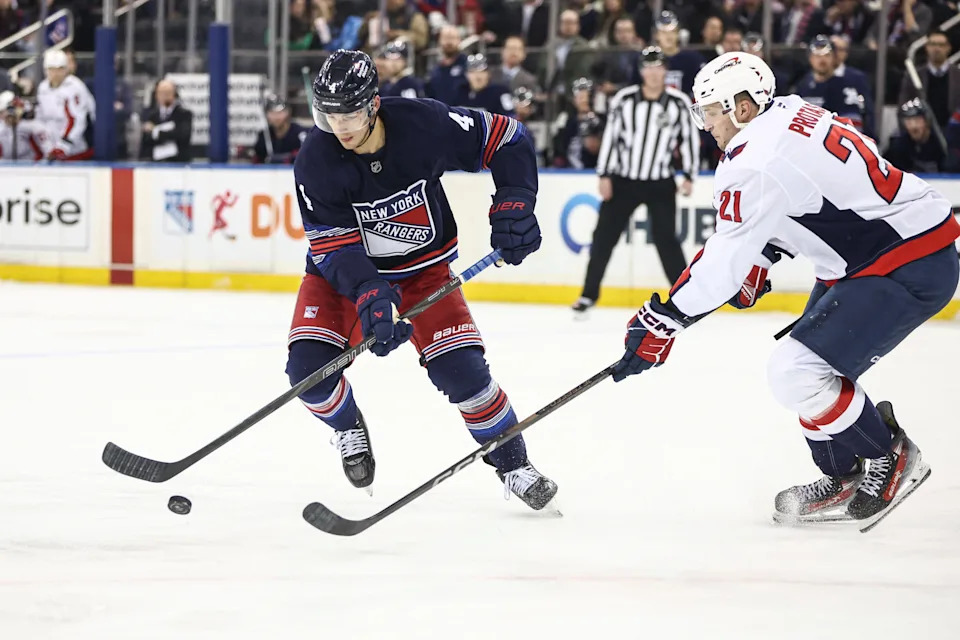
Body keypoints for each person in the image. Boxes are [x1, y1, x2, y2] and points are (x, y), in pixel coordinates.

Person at [611, 51, 959, 530]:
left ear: (743, 108)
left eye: (711, 112)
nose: (706, 125)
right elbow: (817, 190)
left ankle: (890, 456)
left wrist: (662, 319)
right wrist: (765, 253)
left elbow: (721, 263)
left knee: (796, 372)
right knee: (807, 373)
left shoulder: (753, 162)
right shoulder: (793, 109)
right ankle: (842, 477)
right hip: (876, 256)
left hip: (904, 263)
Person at [287, 49, 557, 511]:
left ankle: (513, 464)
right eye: (328, 115)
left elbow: (508, 138)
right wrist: (370, 292)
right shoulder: (316, 159)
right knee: (308, 376)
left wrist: (514, 200)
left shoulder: (424, 124)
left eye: (350, 113)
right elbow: (332, 248)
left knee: (465, 375)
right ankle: (348, 426)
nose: (341, 127)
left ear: (374, 104)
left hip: (424, 274)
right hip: (344, 279)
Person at [572, 47, 698, 317]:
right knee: (604, 238)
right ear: (641, 71)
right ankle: (588, 294)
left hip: (660, 182)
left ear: (665, 70)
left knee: (667, 241)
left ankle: (688, 299)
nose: (653, 72)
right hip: (624, 181)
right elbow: (612, 138)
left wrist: (688, 175)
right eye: (648, 67)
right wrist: (604, 175)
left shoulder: (677, 102)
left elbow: (687, 140)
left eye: (658, 67)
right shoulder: (624, 100)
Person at [35, 49, 95, 161]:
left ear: (65, 69)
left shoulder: (75, 87)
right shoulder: (42, 88)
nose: (55, 73)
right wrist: (47, 146)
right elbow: (40, 119)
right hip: (50, 149)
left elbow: (77, 120)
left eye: (60, 69)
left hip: (73, 149)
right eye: (52, 69)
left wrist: (64, 145)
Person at [139, 79, 193, 163]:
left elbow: (182, 136)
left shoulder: (184, 114)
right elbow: (146, 140)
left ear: (174, 94)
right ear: (156, 95)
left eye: (168, 92)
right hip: (156, 162)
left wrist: (156, 131)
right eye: (161, 93)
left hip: (178, 162)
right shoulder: (152, 115)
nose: (165, 96)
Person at [252, 93, 308, 164]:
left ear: (288, 112)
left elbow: (306, 157)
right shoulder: (263, 136)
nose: (276, 117)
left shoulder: (300, 134)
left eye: (280, 113)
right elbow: (257, 160)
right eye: (272, 113)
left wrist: (288, 158)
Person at [0, 91, 52, 160]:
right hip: (7, 165)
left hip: (31, 166)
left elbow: (47, 151)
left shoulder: (31, 127)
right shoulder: (2, 128)